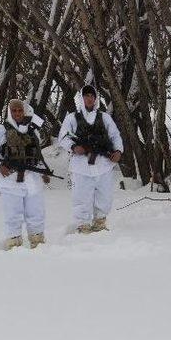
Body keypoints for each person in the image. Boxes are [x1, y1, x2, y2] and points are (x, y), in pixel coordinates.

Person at [0, 99, 50, 250]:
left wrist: (43, 171)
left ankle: (38, 242)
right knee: (12, 214)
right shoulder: (0, 130)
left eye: (20, 110)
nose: (17, 113)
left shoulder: (33, 130)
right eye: (14, 111)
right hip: (10, 180)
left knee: (36, 212)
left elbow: (37, 154)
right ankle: (14, 243)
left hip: (32, 179)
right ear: (9, 112)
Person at [58, 85, 123, 233]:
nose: (89, 98)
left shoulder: (104, 117)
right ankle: (83, 225)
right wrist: (74, 147)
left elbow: (115, 136)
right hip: (81, 165)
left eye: (92, 96)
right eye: (86, 96)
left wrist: (118, 151)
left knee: (104, 195)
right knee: (81, 196)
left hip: (103, 164)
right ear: (82, 98)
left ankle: (100, 222)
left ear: (95, 98)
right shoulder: (72, 118)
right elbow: (63, 138)